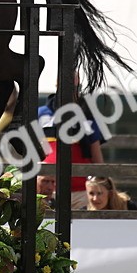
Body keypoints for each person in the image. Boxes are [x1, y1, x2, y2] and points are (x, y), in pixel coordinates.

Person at [37, 76, 109, 209]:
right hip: (48, 190)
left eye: (75, 86)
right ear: (57, 84)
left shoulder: (88, 115)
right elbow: (32, 150)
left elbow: (96, 151)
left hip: (82, 191)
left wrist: (101, 180)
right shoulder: (41, 114)